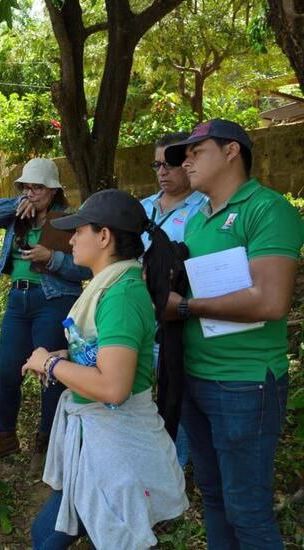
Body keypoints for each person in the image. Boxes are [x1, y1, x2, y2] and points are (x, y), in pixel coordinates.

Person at [163, 119, 304, 549]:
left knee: (248, 510)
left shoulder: (267, 209)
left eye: (196, 152)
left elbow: (270, 301)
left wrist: (184, 307)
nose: (186, 162)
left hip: (244, 383)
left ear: (231, 152)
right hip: (195, 378)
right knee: (214, 496)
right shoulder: (197, 220)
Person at [24, 189, 188, 549]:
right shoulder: (109, 286)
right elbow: (102, 354)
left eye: (78, 231)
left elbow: (114, 387)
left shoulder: (120, 295)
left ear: (104, 236)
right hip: (100, 441)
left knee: (54, 537)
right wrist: (64, 357)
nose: (71, 240)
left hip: (117, 448)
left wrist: (51, 363)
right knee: (48, 534)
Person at [0, 159, 91, 467]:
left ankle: (47, 441)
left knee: (51, 372)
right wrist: (17, 204)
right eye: (26, 187)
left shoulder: (69, 219)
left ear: (53, 190)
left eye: (38, 187)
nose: (31, 192)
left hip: (54, 300)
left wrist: (52, 258)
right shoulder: (19, 215)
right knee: (7, 369)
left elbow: (86, 267)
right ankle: (6, 436)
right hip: (18, 299)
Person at [140, 132, 207, 469]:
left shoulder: (203, 211)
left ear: (187, 164)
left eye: (169, 164)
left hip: (175, 323)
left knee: (175, 397)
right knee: (139, 397)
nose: (162, 171)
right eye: (157, 165)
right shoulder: (142, 208)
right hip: (139, 320)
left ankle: (176, 471)